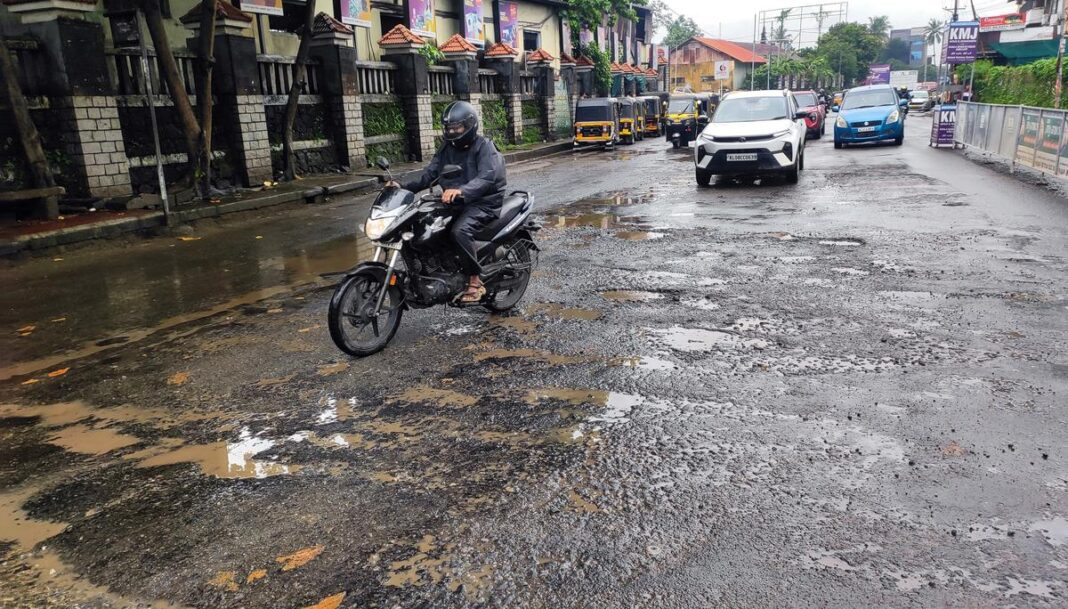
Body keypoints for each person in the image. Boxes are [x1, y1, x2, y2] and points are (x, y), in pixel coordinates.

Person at [389, 101, 507, 303]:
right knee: (424, 224)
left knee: (459, 231)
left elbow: (487, 178)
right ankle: (439, 269)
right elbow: (429, 175)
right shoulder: (446, 148)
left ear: (470, 125)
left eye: (457, 128)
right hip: (454, 201)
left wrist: (461, 190)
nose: (452, 132)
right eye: (449, 128)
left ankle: (475, 281)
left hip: (483, 202)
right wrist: (401, 187)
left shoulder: (485, 147)